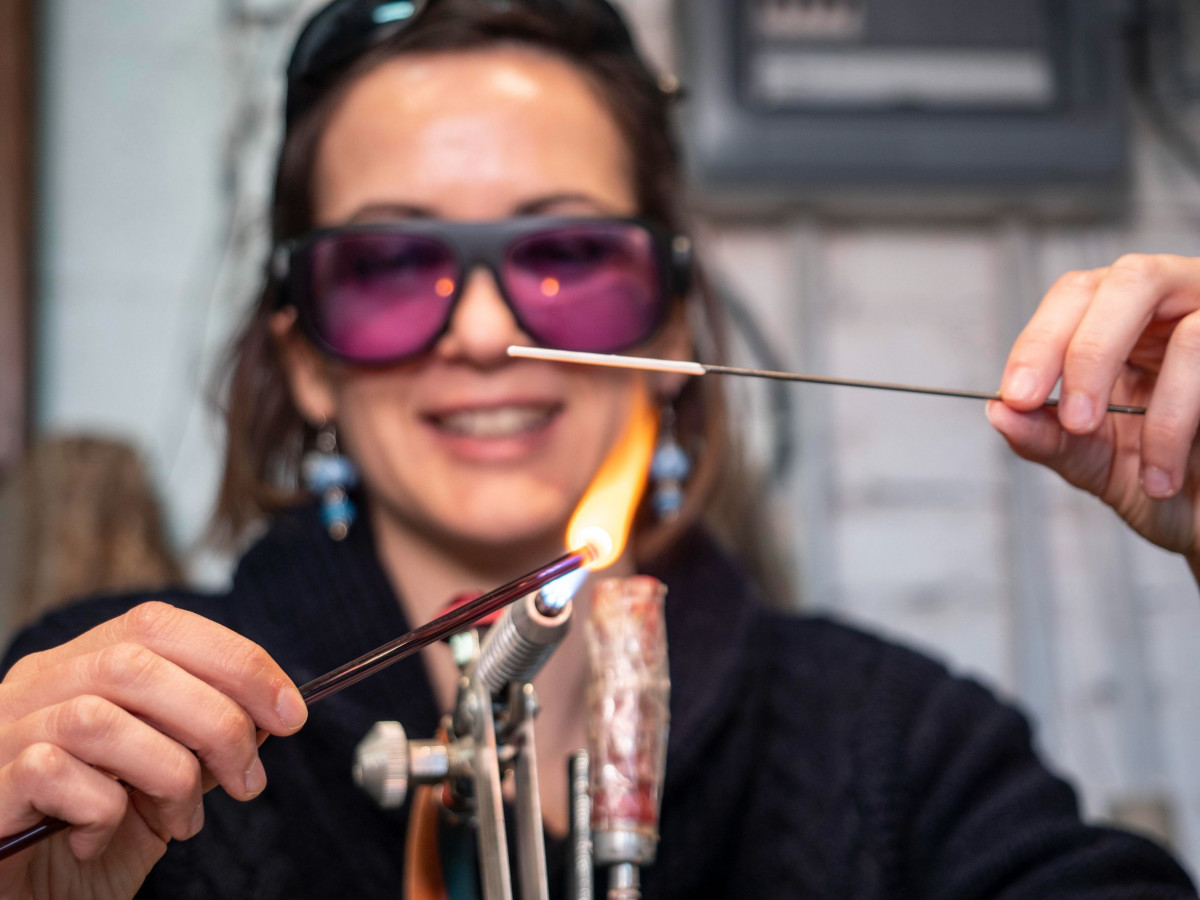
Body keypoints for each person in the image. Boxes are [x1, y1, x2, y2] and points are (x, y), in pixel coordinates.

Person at [1, 1, 1198, 897]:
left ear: (671, 326)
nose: (482, 334)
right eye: (387, 267)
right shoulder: (109, 736)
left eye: (564, 259)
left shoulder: (901, 749)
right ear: (307, 354)